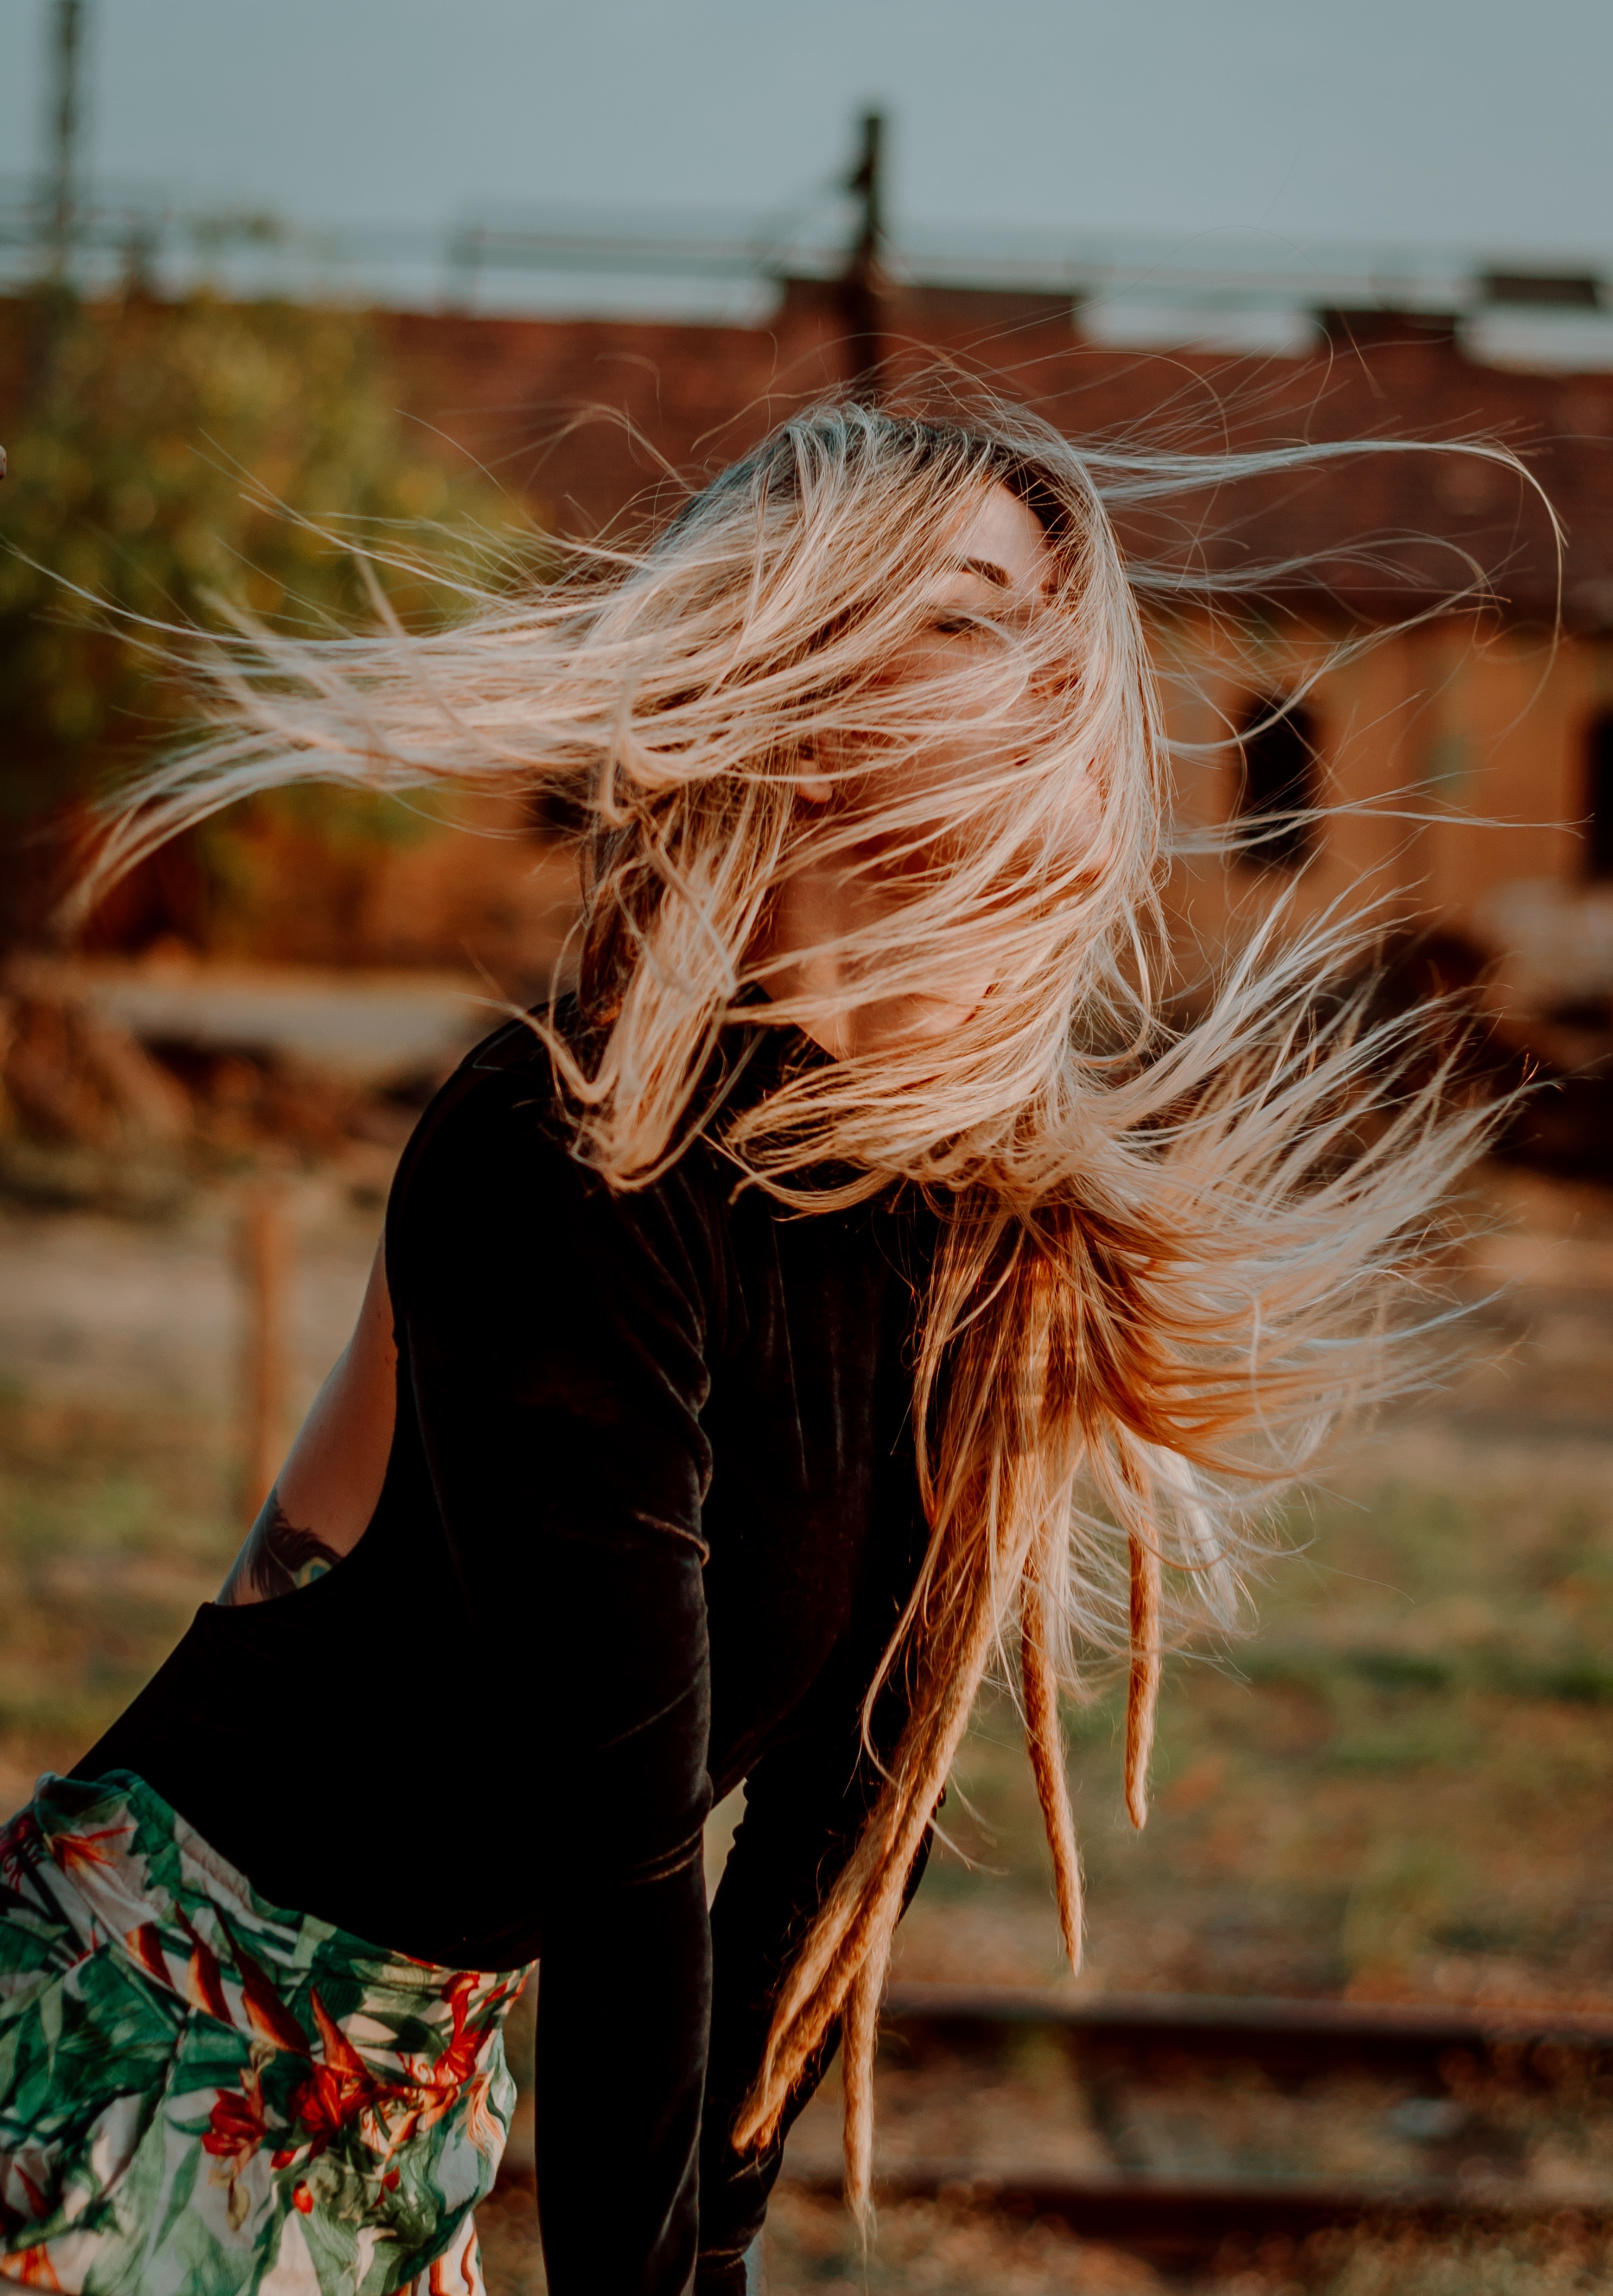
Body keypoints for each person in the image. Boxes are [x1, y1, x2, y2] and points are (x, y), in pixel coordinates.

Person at [0, 397, 1484, 2295]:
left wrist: (718, 2246)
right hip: (129, 2069)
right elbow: (629, 1873)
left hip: (389, 2137)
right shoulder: (564, 1151)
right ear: (789, 671)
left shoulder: (985, 1247)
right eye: (967, 613)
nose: (1046, 677)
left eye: (1057, 629)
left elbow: (822, 1836)